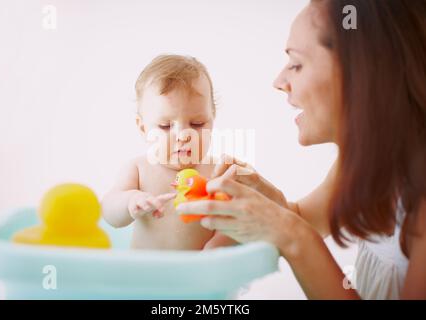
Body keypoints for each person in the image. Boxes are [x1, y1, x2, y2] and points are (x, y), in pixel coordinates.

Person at [176, 0, 426, 299]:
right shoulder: (366, 166)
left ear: (364, 73)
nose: (279, 82)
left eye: (295, 64)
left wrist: (294, 237)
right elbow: (301, 219)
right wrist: (269, 204)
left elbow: (297, 231)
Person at [102, 54, 237, 250]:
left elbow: (238, 222)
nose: (183, 135)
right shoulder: (139, 169)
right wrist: (130, 201)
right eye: (165, 126)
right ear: (143, 128)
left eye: (197, 124)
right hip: (146, 274)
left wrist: (218, 244)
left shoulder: (219, 173)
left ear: (212, 121)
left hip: (200, 275)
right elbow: (109, 213)